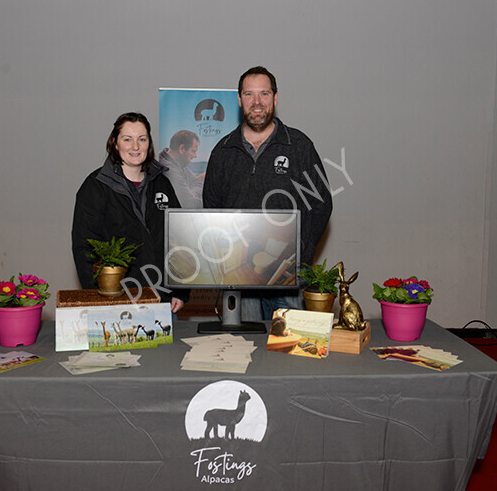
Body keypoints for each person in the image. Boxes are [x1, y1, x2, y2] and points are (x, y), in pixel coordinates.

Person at [203, 66, 333, 321]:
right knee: (246, 350)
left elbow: (320, 204)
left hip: (289, 274)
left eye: (264, 94)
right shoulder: (223, 151)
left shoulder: (299, 146)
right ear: (239, 100)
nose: (257, 102)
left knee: (293, 348)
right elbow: (212, 208)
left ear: (275, 98)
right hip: (240, 276)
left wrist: (301, 257)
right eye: (249, 95)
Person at [72, 112, 186, 313]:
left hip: (161, 297)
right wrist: (97, 298)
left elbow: (179, 238)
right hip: (115, 300)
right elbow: (84, 248)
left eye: (142, 139)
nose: (135, 147)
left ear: (149, 144)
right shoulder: (95, 187)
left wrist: (181, 291)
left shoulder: (162, 183)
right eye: (127, 139)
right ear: (115, 143)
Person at [158, 130, 203, 208]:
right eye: (193, 151)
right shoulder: (168, 170)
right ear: (182, 148)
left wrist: (191, 193)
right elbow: (191, 205)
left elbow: (198, 183)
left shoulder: (179, 163)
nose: (195, 156)